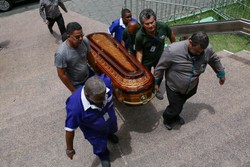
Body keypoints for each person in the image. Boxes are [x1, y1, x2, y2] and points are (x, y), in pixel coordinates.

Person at [154, 31, 226, 130]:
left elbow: (214, 59)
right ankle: (167, 118)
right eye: (196, 51)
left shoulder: (207, 49)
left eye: (201, 52)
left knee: (180, 104)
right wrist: (156, 83)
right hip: (174, 87)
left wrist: (221, 73)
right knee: (175, 106)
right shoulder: (173, 50)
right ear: (190, 42)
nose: (199, 54)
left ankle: (175, 115)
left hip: (191, 86)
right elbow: (160, 68)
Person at [65, 76, 118, 167]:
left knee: (112, 128)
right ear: (87, 95)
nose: (103, 100)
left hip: (109, 120)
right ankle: (103, 156)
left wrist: (119, 94)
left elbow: (116, 85)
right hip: (94, 132)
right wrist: (70, 149)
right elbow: (69, 130)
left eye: (104, 96)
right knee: (99, 146)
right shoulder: (75, 107)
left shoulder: (106, 81)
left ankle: (109, 135)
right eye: (98, 99)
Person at [135, 8, 176, 100]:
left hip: (160, 58)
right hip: (146, 61)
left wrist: (174, 49)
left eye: (152, 22)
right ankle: (148, 89)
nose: (150, 25)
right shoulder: (139, 36)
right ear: (142, 24)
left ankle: (156, 88)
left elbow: (171, 35)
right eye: (147, 24)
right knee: (147, 77)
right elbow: (139, 51)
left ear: (155, 20)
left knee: (159, 75)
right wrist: (139, 65)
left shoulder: (163, 26)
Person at [55, 22, 94, 93]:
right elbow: (61, 74)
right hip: (76, 83)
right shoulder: (61, 53)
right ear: (68, 36)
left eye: (82, 35)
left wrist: (96, 70)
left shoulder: (84, 41)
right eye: (77, 37)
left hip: (88, 74)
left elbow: (90, 57)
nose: (80, 38)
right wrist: (73, 90)